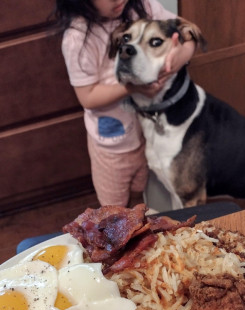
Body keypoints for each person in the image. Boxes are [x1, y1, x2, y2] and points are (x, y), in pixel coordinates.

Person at [53, 0, 197, 207]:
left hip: (147, 134)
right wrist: (132, 87)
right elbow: (88, 96)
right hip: (113, 146)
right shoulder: (78, 38)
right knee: (114, 207)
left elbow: (187, 30)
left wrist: (179, 57)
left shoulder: (143, 7)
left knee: (140, 193)